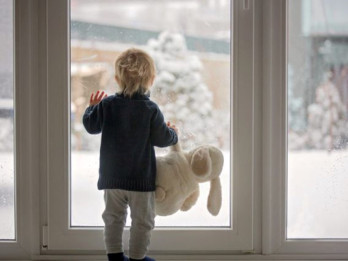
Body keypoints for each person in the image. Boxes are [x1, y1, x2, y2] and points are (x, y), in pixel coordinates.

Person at [83, 48, 178, 261]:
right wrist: (174, 134)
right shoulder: (150, 109)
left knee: (113, 218)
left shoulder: (107, 105)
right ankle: (137, 258)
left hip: (112, 178)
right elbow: (162, 139)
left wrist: (92, 108)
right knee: (142, 221)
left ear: (117, 78)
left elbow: (91, 126)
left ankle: (115, 256)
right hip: (140, 179)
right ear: (151, 80)